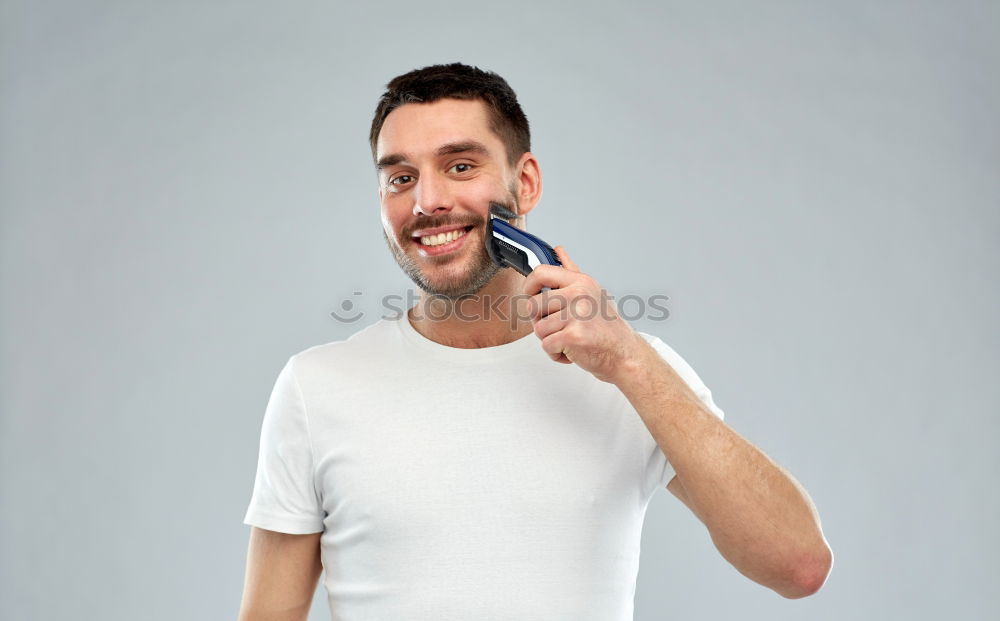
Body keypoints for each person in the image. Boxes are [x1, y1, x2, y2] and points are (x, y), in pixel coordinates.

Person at [237, 63, 833, 621]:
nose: (428, 202)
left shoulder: (626, 369)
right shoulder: (317, 387)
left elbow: (796, 565)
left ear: (524, 182)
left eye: (461, 166)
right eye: (401, 177)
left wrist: (628, 361)